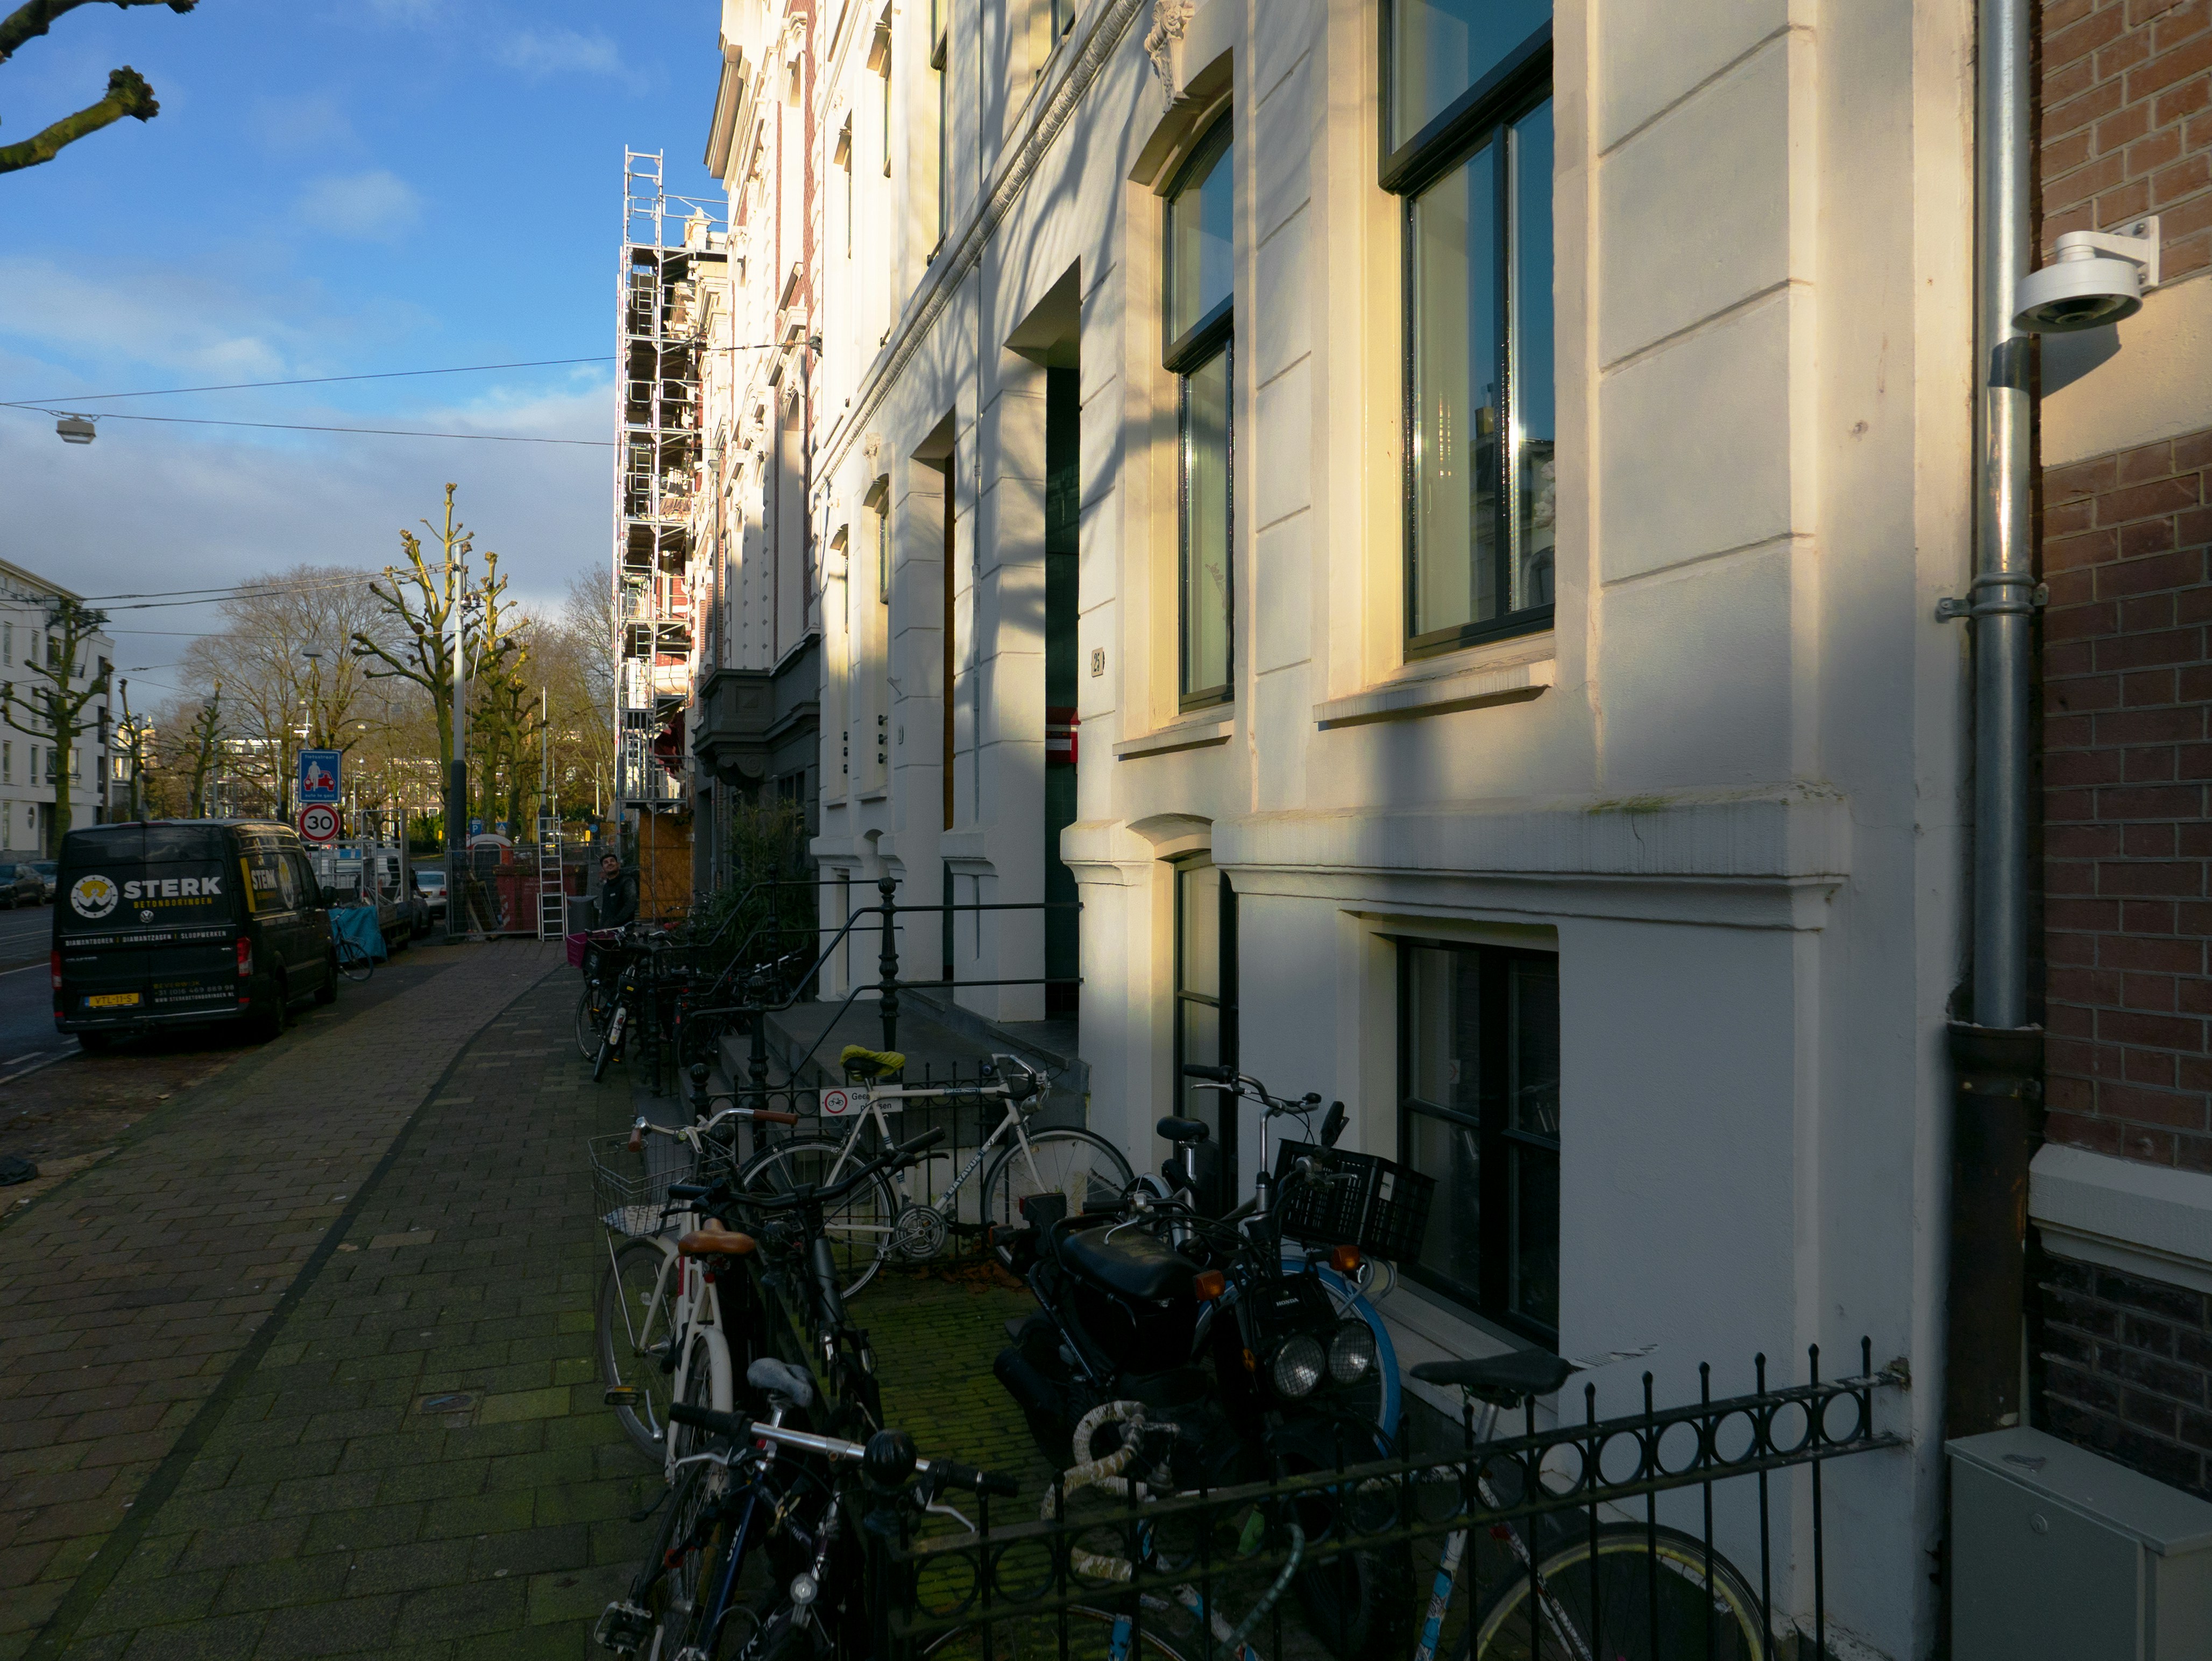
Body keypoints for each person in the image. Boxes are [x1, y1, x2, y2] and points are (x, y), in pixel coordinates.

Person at [596, 853, 639, 929]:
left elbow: (631, 905)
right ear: (603, 868)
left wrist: (614, 923)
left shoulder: (627, 882)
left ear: (618, 865)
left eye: (612, 861)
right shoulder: (606, 887)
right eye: (606, 863)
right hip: (609, 932)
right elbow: (606, 910)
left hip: (624, 932)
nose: (610, 864)